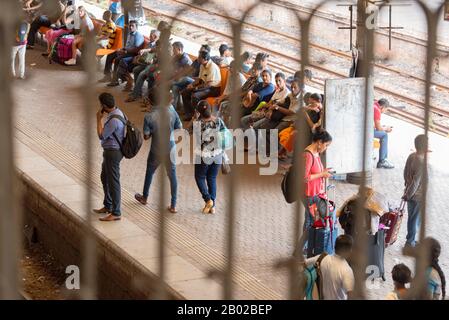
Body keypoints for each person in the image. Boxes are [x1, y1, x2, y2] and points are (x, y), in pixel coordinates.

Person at [134, 92, 182, 213]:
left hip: (156, 150)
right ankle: (173, 205)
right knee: (172, 176)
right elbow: (179, 128)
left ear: (149, 102)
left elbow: (146, 136)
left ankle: (144, 197)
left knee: (150, 172)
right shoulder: (171, 109)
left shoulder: (149, 116)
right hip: (170, 148)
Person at [293, 129, 333, 256]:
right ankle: (299, 250)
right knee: (311, 222)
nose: (325, 148)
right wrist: (322, 174)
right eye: (326, 145)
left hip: (315, 192)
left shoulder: (316, 152)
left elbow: (314, 172)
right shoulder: (308, 155)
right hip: (308, 194)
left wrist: (324, 171)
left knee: (309, 221)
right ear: (319, 142)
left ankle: (303, 248)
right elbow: (304, 177)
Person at [94, 93, 126, 222]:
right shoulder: (117, 112)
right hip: (110, 152)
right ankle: (108, 205)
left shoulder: (113, 120)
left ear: (104, 106)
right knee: (104, 177)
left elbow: (101, 135)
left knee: (113, 182)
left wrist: (98, 119)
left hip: (113, 153)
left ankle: (116, 212)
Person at [193, 101, 227, 214]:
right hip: (218, 154)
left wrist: (195, 118)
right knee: (212, 178)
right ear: (211, 110)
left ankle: (208, 199)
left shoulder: (198, 123)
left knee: (199, 177)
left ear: (199, 112)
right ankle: (213, 206)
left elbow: (188, 132)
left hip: (204, 155)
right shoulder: (219, 120)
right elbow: (225, 135)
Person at [304, 234, 354, 300]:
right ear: (348, 251)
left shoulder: (322, 258)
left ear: (335, 246)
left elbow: (303, 263)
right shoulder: (347, 270)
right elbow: (351, 295)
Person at [403, 134, 429, 248]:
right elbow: (416, 182)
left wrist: (406, 189)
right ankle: (410, 242)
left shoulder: (411, 156)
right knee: (414, 220)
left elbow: (405, 172)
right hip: (417, 196)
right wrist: (408, 195)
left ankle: (411, 239)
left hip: (410, 193)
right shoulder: (421, 163)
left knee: (413, 218)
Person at [181, 51, 222, 121]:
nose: (198, 58)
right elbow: (199, 80)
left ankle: (199, 117)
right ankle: (190, 114)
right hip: (206, 86)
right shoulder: (202, 65)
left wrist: (195, 88)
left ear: (205, 59)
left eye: (199, 57)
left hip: (214, 89)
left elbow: (208, 84)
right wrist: (191, 84)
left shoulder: (212, 67)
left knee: (195, 96)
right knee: (185, 92)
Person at [374, 98, 394, 169]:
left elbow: (375, 125)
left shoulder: (374, 105)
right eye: (386, 109)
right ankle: (382, 161)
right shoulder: (377, 110)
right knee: (384, 135)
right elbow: (378, 128)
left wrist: (383, 127)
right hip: (365, 130)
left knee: (383, 132)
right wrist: (386, 128)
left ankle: (383, 160)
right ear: (382, 107)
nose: (385, 111)